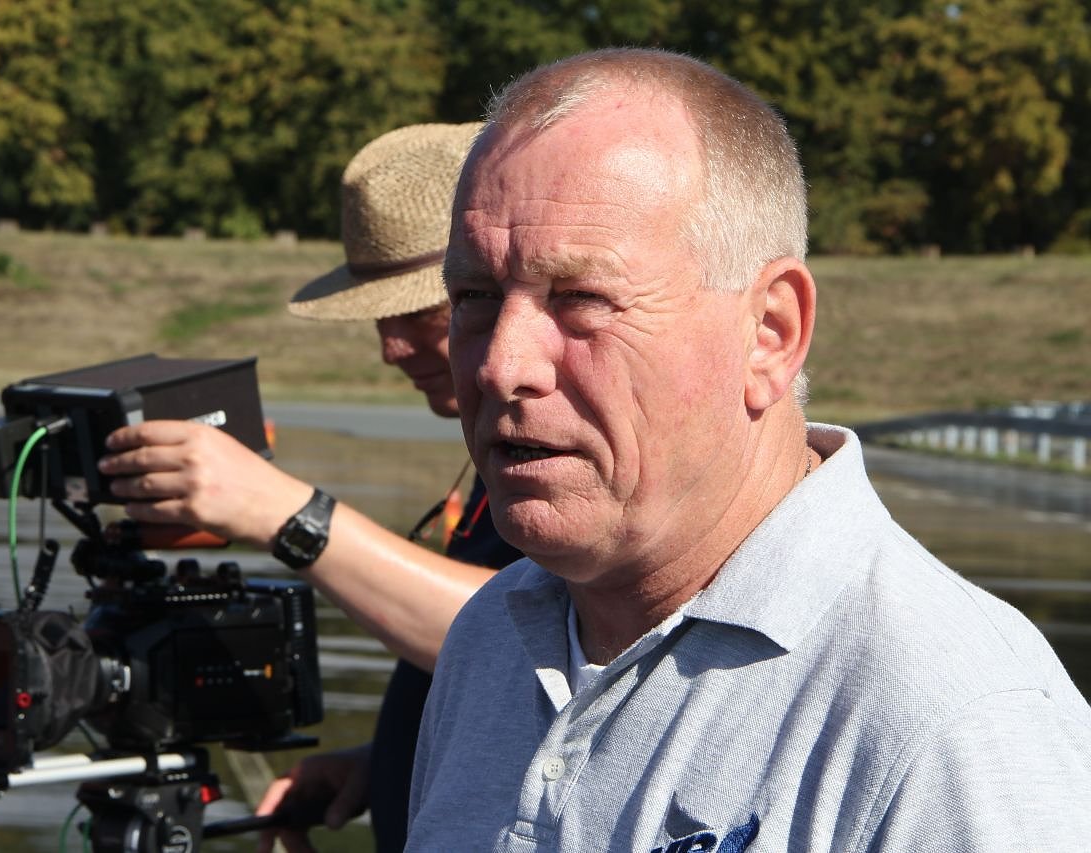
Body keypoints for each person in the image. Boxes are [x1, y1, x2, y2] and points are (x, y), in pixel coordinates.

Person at [408, 48, 1091, 851]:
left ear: (770, 332)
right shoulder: (491, 635)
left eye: (581, 297)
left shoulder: (955, 720)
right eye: (475, 296)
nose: (501, 364)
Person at [96, 123, 521, 852]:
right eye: (379, 318)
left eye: (418, 312)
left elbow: (524, 638)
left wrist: (282, 512)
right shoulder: (504, 459)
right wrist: (388, 759)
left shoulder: (577, 466)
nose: (390, 349)